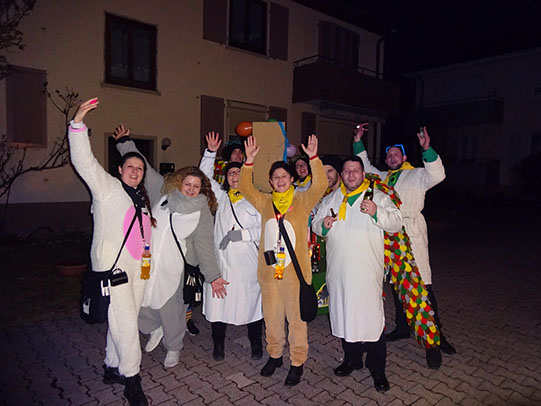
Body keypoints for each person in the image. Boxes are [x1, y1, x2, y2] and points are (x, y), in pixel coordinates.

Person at [113, 126, 228, 369]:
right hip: (149, 261)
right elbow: (142, 166)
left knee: (172, 309)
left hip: (175, 268)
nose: (191, 189)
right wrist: (125, 143)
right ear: (180, 182)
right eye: (188, 184)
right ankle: (154, 328)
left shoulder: (201, 211)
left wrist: (214, 276)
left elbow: (205, 246)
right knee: (143, 300)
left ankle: (174, 346)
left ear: (202, 189)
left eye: (197, 186)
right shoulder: (163, 193)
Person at [68, 98, 154, 406]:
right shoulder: (106, 189)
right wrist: (78, 123)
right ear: (119, 169)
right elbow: (84, 161)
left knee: (122, 319)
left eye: (140, 168)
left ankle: (111, 366)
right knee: (126, 324)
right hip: (114, 271)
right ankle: (132, 379)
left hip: (138, 270)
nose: (135, 171)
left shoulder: (140, 198)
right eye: (130, 166)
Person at [353, 123, 456, 369]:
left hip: (410, 234)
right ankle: (402, 327)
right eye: (388, 155)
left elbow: (438, 175)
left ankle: (436, 337)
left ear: (405, 157)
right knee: (396, 284)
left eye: (396, 154)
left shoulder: (417, 175)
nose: (391, 157)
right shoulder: (382, 178)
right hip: (389, 236)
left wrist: (427, 149)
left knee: (421, 287)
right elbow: (364, 166)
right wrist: (357, 142)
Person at [238, 135, 327, 386]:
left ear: (291, 179)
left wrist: (313, 158)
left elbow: (320, 185)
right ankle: (275, 355)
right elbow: (245, 188)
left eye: (284, 176)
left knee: (296, 320)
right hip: (269, 274)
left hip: (295, 275)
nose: (280, 180)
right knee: (272, 317)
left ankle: (297, 362)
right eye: (275, 177)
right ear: (270, 181)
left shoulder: (302, 200)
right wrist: (249, 161)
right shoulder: (265, 201)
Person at [312, 156, 403, 392]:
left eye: (355, 170)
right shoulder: (331, 198)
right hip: (339, 273)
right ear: (341, 175)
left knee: (370, 323)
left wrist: (376, 212)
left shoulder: (377, 197)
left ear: (363, 174)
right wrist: (323, 225)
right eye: (347, 171)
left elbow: (396, 223)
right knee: (344, 317)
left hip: (366, 274)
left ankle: (377, 369)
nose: (351, 175)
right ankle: (352, 359)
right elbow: (316, 224)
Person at [199, 131, 263, 361]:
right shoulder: (221, 197)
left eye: (239, 172)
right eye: (231, 173)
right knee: (219, 306)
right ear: (226, 178)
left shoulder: (256, 199)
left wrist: (243, 235)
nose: (235, 176)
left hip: (247, 266)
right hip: (223, 264)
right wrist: (210, 152)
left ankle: (256, 344)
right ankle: (218, 345)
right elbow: (204, 177)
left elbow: (266, 229)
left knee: (252, 306)